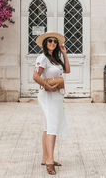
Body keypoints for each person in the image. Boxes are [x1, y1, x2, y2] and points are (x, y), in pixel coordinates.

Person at [32, 31, 70, 175]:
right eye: (50, 41)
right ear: (45, 43)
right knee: (52, 127)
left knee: (48, 126)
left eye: (55, 41)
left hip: (57, 96)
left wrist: (64, 53)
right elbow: (35, 76)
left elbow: (67, 70)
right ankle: (50, 161)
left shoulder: (55, 59)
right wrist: (47, 86)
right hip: (48, 96)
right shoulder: (42, 58)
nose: (53, 43)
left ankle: (45, 157)